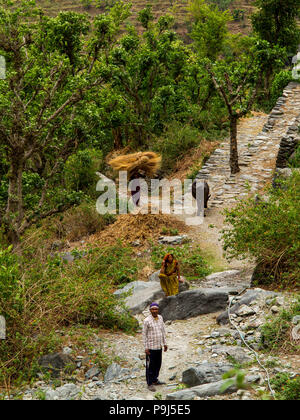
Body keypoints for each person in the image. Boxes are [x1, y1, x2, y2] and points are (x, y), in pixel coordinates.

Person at [142, 302, 168, 392]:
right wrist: (146, 347)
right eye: (152, 309)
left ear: (158, 310)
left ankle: (155, 380)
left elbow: (163, 331)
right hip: (151, 347)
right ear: (150, 310)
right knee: (150, 366)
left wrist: (165, 343)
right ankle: (149, 383)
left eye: (156, 309)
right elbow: (144, 335)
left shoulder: (160, 318)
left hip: (159, 346)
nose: (154, 311)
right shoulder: (146, 321)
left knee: (158, 364)